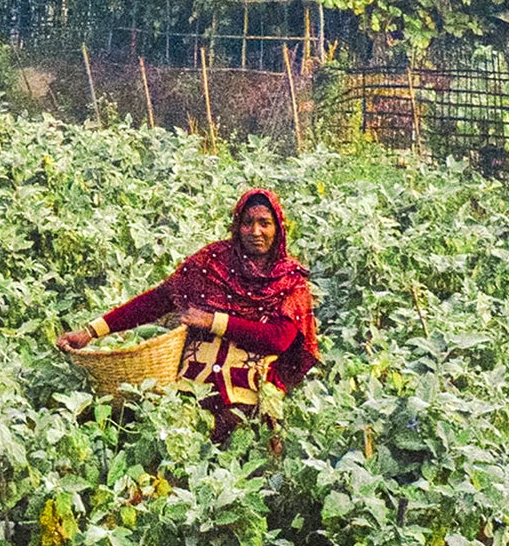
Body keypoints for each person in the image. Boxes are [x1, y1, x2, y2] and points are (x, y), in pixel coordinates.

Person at [57, 189, 318, 445]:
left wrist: (213, 321)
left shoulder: (290, 281)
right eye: (247, 223)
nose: (255, 231)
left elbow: (278, 339)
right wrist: (90, 332)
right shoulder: (213, 261)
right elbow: (158, 300)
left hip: (246, 390)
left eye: (265, 223)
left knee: (232, 448)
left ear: (278, 229)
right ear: (237, 225)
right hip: (189, 383)